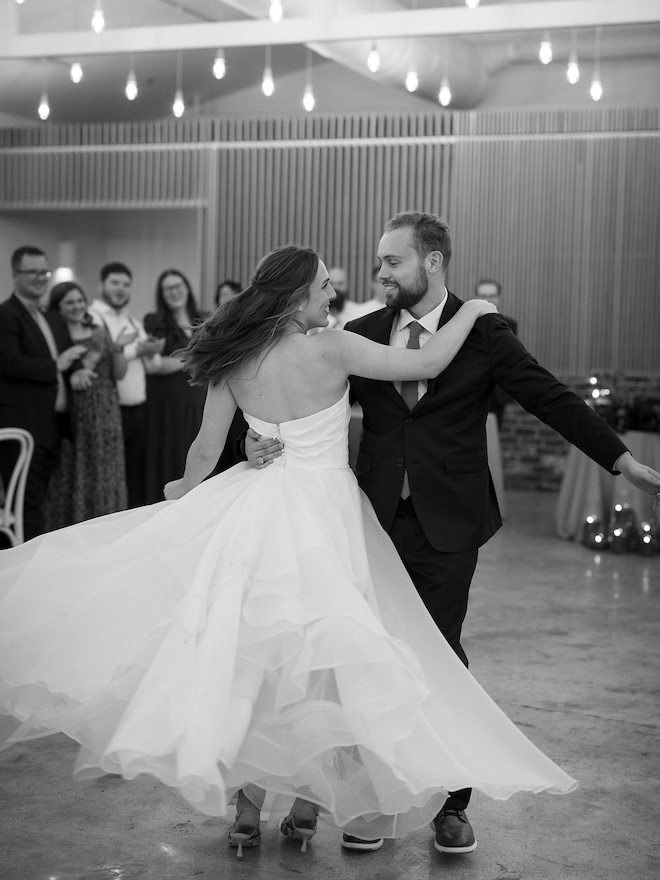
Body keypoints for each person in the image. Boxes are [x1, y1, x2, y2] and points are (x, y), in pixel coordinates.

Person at [0, 246, 577, 863]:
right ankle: (306, 807)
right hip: (325, 516)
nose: (332, 297)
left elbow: (202, 452)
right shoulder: (333, 349)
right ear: (297, 296)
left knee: (258, 661)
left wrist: (183, 496)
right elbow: (433, 357)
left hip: (257, 512)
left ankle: (248, 813)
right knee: (324, 663)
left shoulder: (235, 357)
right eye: (325, 288)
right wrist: (478, 311)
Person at [246, 214, 660, 855]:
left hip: (450, 521)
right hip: (368, 522)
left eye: (391, 262)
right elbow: (296, 397)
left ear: (432, 262)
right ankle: (374, 806)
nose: (379, 273)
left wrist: (620, 459)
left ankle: (451, 805)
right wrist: (256, 435)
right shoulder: (359, 334)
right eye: (380, 262)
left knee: (439, 654)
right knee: (364, 659)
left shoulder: (485, 334)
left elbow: (549, 398)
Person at [0, 246, 87, 541]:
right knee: (24, 503)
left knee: (43, 502)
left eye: (44, 272)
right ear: (15, 274)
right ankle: (16, 563)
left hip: (54, 425)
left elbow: (68, 355)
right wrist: (55, 366)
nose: (40, 278)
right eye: (33, 272)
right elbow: (8, 361)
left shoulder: (53, 318)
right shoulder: (6, 314)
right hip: (23, 424)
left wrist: (75, 369)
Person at [42, 282, 128, 529]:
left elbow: (117, 373)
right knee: (70, 469)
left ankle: (105, 525)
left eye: (80, 300)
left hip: (104, 408)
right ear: (57, 307)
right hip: (70, 410)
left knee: (104, 466)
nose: (77, 306)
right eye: (70, 302)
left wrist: (120, 347)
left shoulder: (99, 331)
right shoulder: (55, 337)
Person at [88, 262, 165, 508]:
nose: (121, 289)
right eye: (115, 283)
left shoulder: (132, 321)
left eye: (126, 284)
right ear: (101, 285)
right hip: (110, 411)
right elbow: (104, 360)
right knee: (110, 478)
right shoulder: (92, 318)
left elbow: (152, 365)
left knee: (134, 477)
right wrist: (138, 349)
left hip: (139, 410)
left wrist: (151, 350)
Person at [142, 269, 206, 504]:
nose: (174, 291)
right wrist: (191, 356)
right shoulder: (153, 322)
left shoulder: (204, 320)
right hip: (165, 407)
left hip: (198, 403)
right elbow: (152, 366)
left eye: (178, 285)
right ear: (162, 294)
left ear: (187, 287)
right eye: (168, 288)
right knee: (169, 463)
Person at [474, 278, 518, 429]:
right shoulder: (463, 322)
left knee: (493, 438)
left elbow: (510, 358)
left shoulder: (510, 325)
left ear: (498, 297)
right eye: (483, 295)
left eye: (492, 296)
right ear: (476, 296)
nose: (487, 300)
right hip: (472, 390)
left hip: (498, 392)